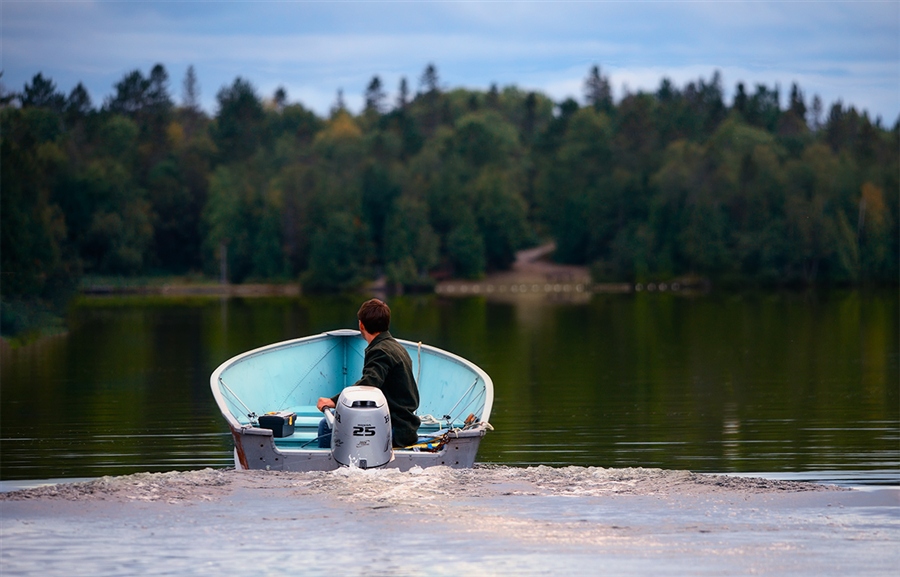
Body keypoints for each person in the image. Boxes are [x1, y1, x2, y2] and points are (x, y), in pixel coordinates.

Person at [316, 299, 421, 448]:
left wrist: (333, 401)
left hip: (396, 429)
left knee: (326, 426)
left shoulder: (380, 351)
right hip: (406, 425)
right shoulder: (396, 347)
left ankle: (327, 463)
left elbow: (369, 385)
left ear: (361, 325)